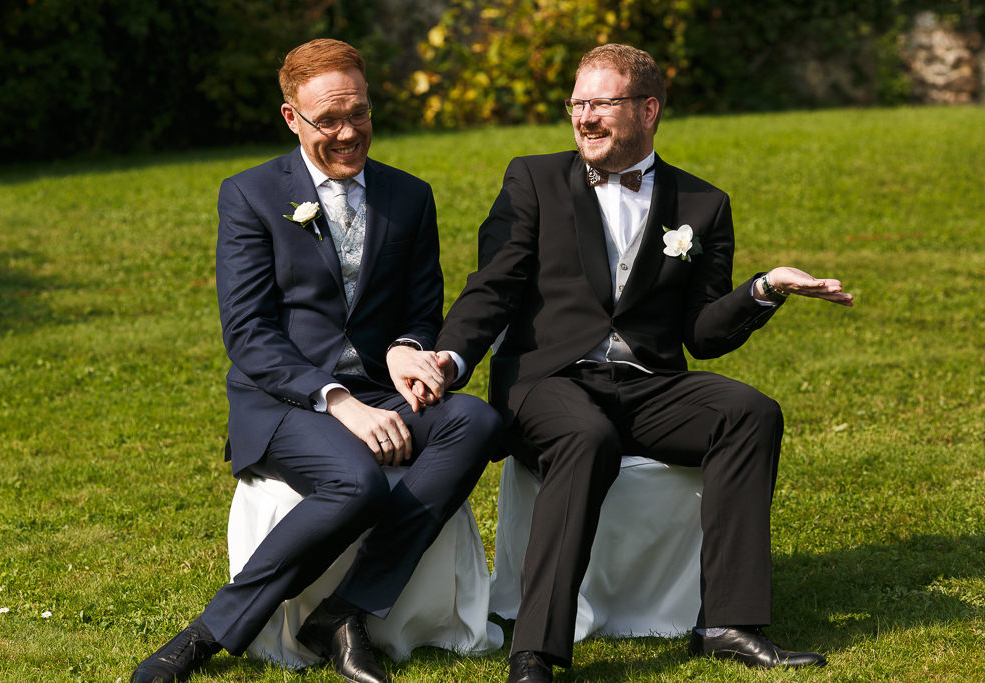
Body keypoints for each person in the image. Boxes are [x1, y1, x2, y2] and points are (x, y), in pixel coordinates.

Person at [402, 44, 853, 681]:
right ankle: (536, 651)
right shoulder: (532, 178)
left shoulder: (703, 204)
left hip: (647, 382)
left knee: (750, 413)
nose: (585, 117)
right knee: (587, 437)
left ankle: (727, 622)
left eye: (601, 104)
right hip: (547, 379)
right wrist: (448, 358)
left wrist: (762, 289)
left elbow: (701, 335)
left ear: (648, 109)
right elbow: (493, 285)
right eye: (577, 104)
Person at [130, 38, 502, 683]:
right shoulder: (248, 196)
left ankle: (345, 611)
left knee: (476, 422)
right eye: (328, 120)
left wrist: (409, 353)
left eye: (358, 113)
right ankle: (207, 634)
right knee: (354, 481)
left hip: (377, 391)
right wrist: (340, 402)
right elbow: (248, 333)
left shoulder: (409, 196)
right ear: (291, 118)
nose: (348, 132)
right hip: (282, 401)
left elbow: (420, 311)